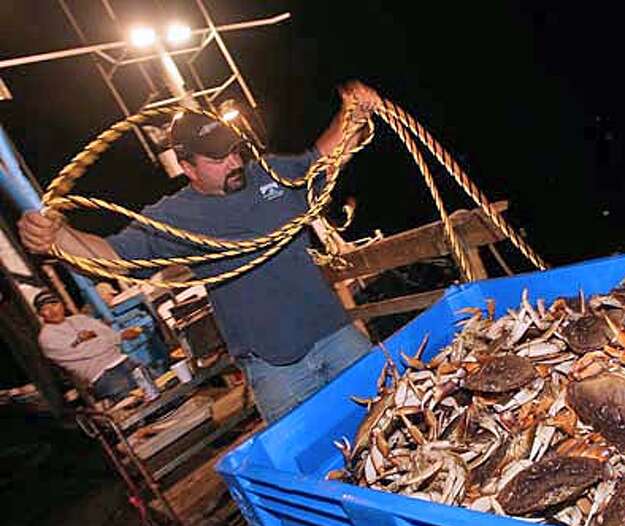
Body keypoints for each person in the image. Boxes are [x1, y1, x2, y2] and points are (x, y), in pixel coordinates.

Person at [19, 81, 381, 423]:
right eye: (216, 159)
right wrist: (58, 237)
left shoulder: (273, 173)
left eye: (232, 151)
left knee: (390, 409)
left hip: (335, 334)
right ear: (188, 167)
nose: (233, 163)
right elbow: (114, 256)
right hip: (274, 368)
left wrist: (352, 114)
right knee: (306, 457)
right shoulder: (173, 216)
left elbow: (327, 156)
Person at [32, 290, 144, 402]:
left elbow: (109, 333)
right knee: (139, 407)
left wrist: (86, 340)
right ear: (40, 314)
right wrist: (118, 337)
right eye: (45, 309)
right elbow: (86, 351)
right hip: (105, 377)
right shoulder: (47, 338)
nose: (52, 311)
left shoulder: (81, 319)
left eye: (54, 305)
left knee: (156, 391)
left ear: (62, 304)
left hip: (126, 361)